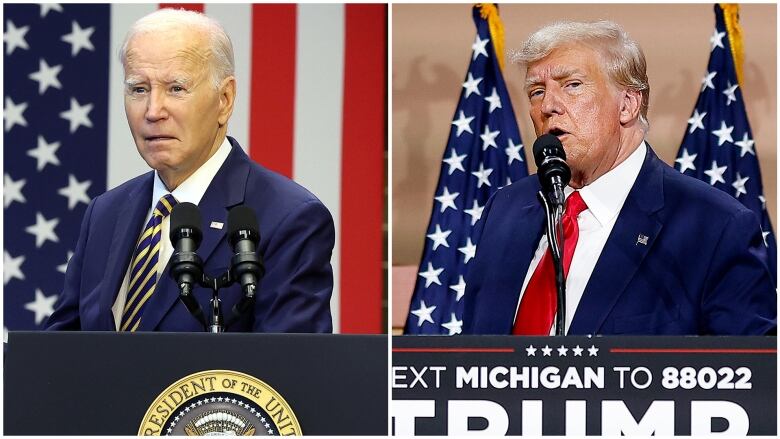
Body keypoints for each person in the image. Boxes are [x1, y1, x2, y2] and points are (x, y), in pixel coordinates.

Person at [462, 20, 776, 335]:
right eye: (537, 91)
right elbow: (471, 357)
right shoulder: (505, 210)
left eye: (571, 85)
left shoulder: (713, 227)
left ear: (627, 104)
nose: (547, 106)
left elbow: (749, 374)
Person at [46, 9, 334, 332]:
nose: (153, 111)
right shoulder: (105, 213)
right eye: (139, 89)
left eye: (176, 89)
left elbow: (289, 373)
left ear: (225, 100)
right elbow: (57, 354)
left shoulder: (289, 220)